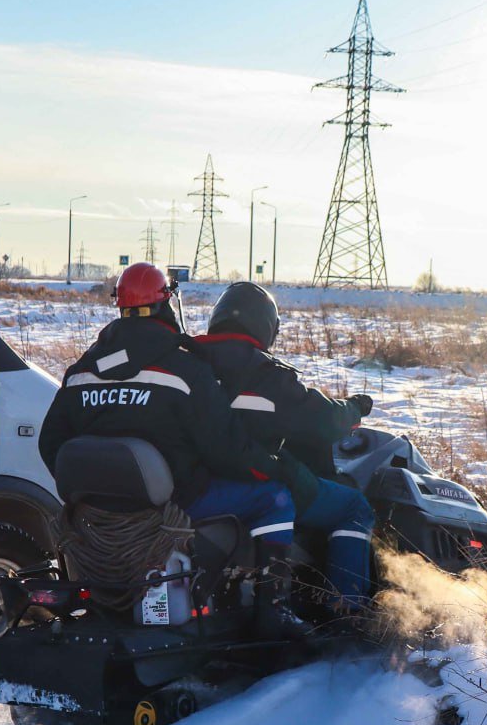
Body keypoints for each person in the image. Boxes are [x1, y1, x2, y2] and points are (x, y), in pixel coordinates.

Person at [38, 263, 318, 635]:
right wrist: (273, 466)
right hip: (174, 505)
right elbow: (226, 449)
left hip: (96, 515)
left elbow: (49, 445)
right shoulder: (185, 370)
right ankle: (273, 608)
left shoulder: (81, 371)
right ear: (167, 304)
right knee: (276, 498)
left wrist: (94, 495)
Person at [192, 281, 376, 614]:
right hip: (260, 480)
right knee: (355, 507)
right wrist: (353, 409)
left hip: (199, 484)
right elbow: (321, 421)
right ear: (266, 326)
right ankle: (347, 610)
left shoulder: (189, 360)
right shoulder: (264, 372)